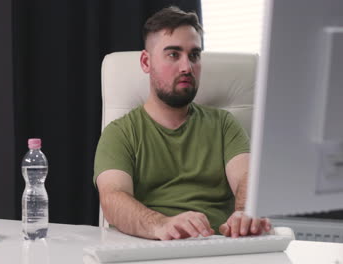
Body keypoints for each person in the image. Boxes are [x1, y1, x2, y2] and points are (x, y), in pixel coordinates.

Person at [93, 6, 271, 241]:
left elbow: (247, 178)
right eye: (173, 54)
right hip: (151, 247)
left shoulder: (224, 124)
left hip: (218, 247)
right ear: (146, 62)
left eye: (194, 55)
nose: (187, 67)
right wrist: (162, 225)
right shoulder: (120, 133)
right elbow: (113, 198)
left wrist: (244, 214)